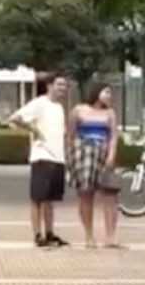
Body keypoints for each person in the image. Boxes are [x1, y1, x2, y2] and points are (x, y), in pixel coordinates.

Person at [10, 73, 70, 248]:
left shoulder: (59, 108)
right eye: (59, 85)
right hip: (42, 157)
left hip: (58, 157)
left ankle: (50, 233)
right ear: (49, 86)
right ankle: (37, 234)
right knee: (38, 198)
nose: (62, 89)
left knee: (50, 199)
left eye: (64, 86)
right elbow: (15, 118)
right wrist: (33, 130)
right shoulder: (39, 103)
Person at [68, 81, 121, 250]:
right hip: (84, 155)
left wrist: (111, 155)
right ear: (96, 93)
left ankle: (110, 236)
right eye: (106, 92)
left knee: (110, 196)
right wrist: (70, 158)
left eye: (110, 93)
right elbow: (70, 135)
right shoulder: (79, 110)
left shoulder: (110, 113)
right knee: (86, 195)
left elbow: (113, 136)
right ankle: (89, 236)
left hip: (103, 153)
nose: (109, 96)